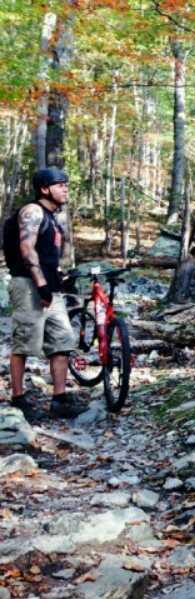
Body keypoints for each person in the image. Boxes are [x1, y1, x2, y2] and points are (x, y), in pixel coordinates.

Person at [5, 167, 87, 420]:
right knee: (24, 343)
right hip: (28, 285)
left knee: (61, 342)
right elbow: (27, 249)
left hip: (51, 288)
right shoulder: (32, 211)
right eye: (60, 184)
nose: (65, 189)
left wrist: (60, 279)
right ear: (44, 188)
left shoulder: (53, 218)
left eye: (67, 184)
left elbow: (48, 256)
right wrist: (40, 284)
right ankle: (18, 398)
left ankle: (59, 399)